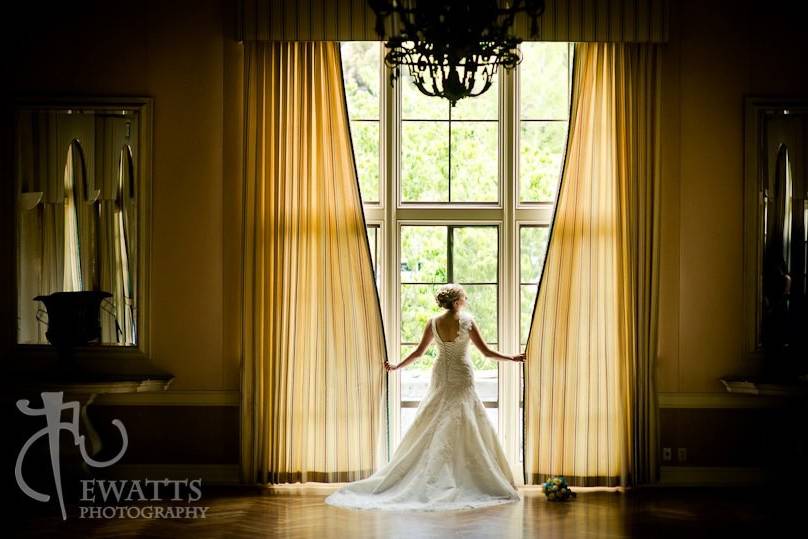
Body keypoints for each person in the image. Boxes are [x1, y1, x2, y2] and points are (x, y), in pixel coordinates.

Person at [324, 283, 526, 511]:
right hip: (461, 372)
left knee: (436, 416)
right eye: (464, 297)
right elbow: (487, 353)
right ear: (458, 301)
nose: (466, 300)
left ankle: (436, 473)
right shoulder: (467, 321)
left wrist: (397, 366)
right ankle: (463, 474)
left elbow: (419, 353)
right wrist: (513, 358)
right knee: (466, 418)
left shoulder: (433, 322)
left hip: (441, 371)